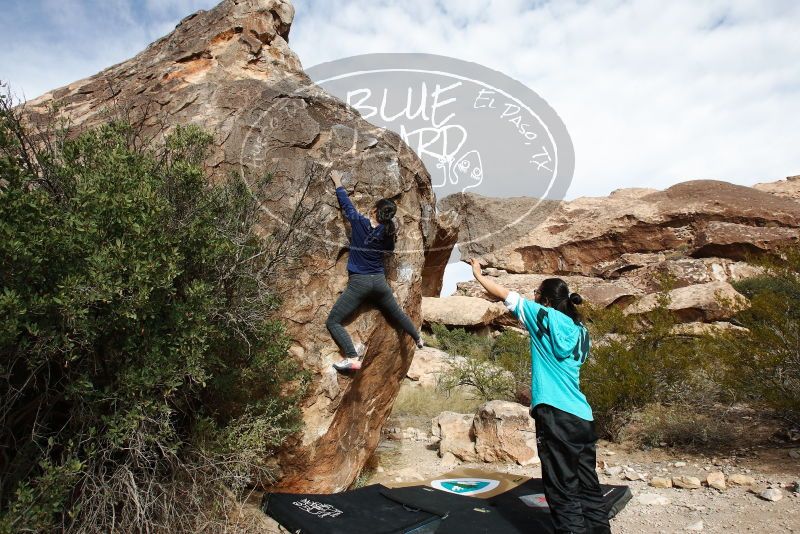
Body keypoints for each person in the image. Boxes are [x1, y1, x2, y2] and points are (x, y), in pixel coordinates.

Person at [469, 258, 611, 534]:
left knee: (562, 488)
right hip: (582, 415)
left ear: (544, 299)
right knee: (588, 486)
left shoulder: (541, 315)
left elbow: (502, 293)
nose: (533, 296)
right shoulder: (582, 331)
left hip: (554, 412)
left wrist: (477, 274)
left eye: (536, 293)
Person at [326, 170, 424, 372]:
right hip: (379, 282)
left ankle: (352, 357)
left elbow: (346, 204)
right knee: (397, 313)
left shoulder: (360, 222)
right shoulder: (388, 233)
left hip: (359, 284)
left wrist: (337, 182)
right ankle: (418, 337)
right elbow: (388, 251)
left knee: (334, 321)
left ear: (373, 210)